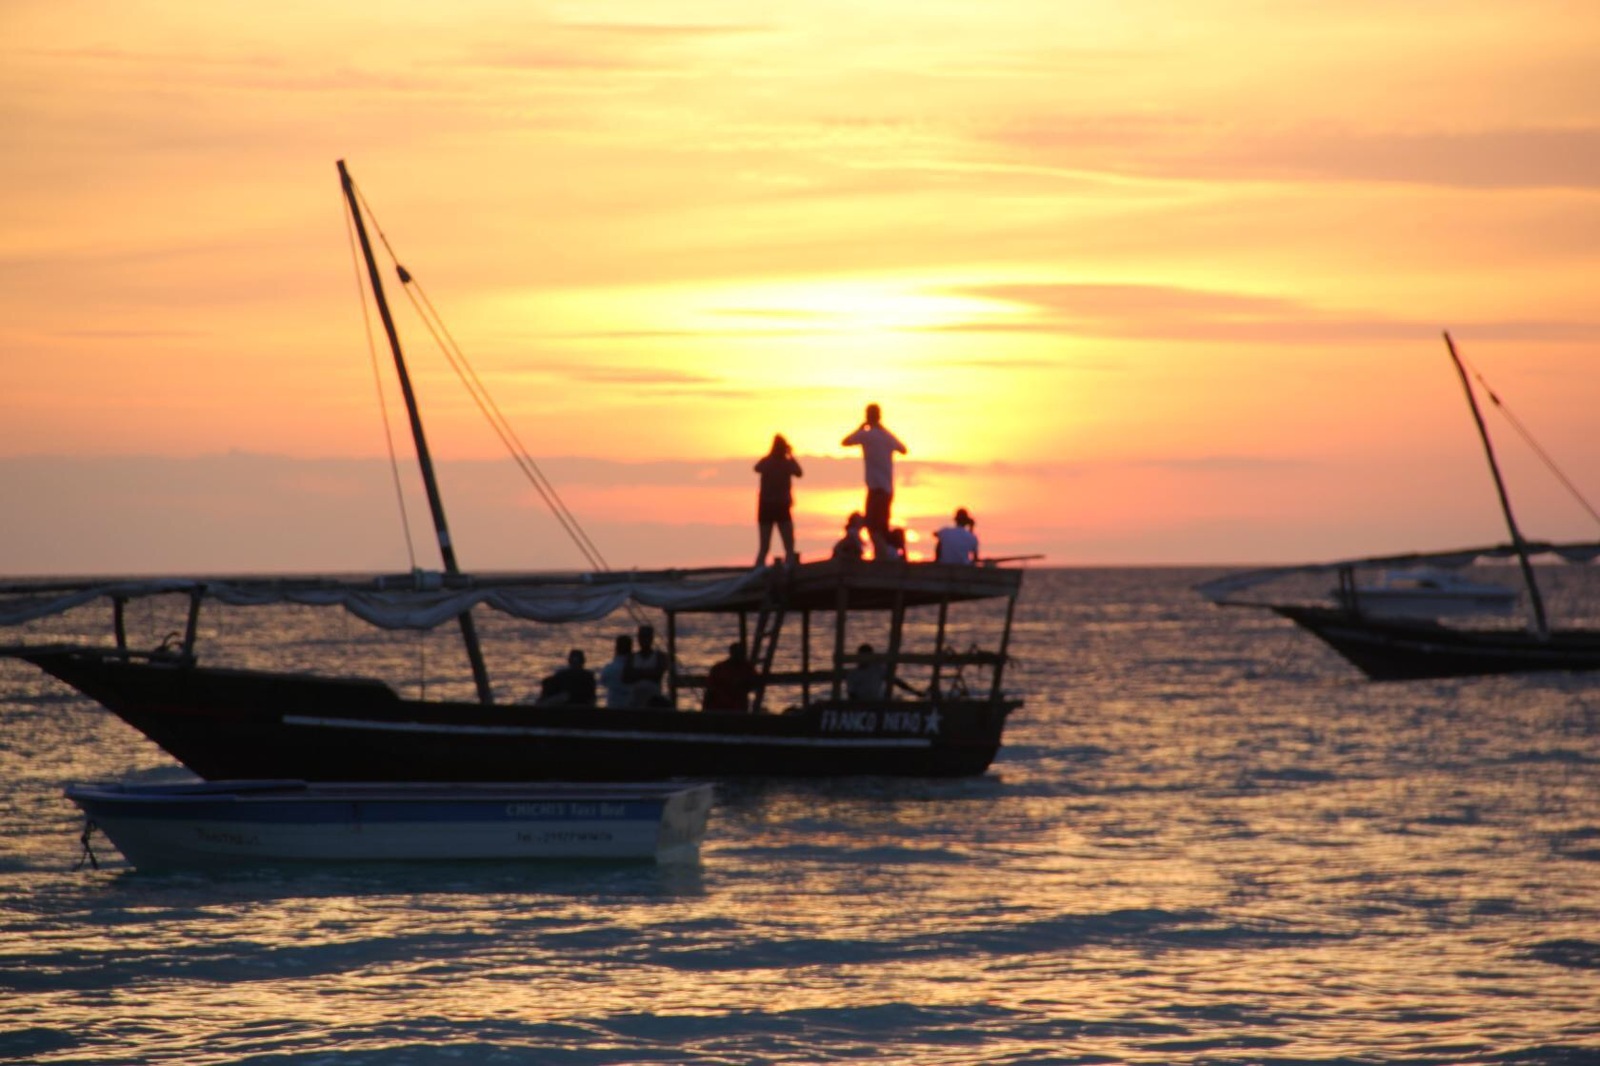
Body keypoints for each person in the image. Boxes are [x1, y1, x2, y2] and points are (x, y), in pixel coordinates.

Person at [841, 403, 907, 561]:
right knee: (881, 527)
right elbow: (903, 449)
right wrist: (884, 429)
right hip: (888, 490)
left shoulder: (866, 435)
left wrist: (860, 428)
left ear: (867, 416)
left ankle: (883, 558)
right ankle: (883, 557)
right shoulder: (887, 437)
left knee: (873, 527)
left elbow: (845, 442)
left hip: (876, 490)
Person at [754, 434, 803, 567]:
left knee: (766, 546)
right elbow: (799, 472)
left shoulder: (768, 462)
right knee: (787, 545)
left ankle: (759, 570)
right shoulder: (786, 464)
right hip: (777, 507)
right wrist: (791, 455)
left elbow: (757, 467)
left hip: (769, 507)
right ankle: (788, 568)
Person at [703, 641, 759, 712]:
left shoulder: (747, 668)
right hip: (720, 707)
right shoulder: (719, 668)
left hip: (736, 708)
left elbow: (754, 683)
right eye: (737, 653)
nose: (738, 655)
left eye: (740, 653)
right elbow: (710, 689)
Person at [624, 623, 670, 707]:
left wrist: (637, 673)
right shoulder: (632, 657)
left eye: (646, 637)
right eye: (641, 637)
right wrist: (648, 673)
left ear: (651, 638)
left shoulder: (659, 656)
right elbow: (625, 677)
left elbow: (658, 674)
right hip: (635, 702)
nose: (644, 640)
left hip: (654, 703)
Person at [597, 634, 633, 708]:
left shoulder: (609, 669)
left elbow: (602, 682)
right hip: (631, 708)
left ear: (616, 648)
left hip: (613, 708)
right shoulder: (636, 669)